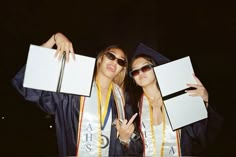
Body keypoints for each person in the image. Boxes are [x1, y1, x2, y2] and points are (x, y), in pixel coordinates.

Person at [12, 32, 143, 157]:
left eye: (121, 61)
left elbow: (135, 148)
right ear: (101, 59)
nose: (115, 62)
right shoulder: (75, 88)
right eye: (111, 56)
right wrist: (54, 38)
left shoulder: (121, 100)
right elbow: (30, 84)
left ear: (122, 69)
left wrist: (126, 140)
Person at [128, 43, 223, 156]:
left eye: (145, 67)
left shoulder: (178, 99)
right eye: (135, 71)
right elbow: (136, 149)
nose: (140, 73)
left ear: (156, 69)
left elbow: (199, 135)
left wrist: (204, 102)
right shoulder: (133, 107)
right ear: (134, 79)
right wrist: (126, 139)